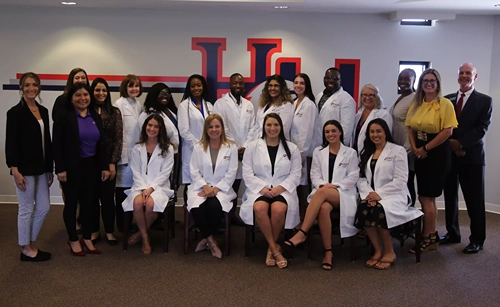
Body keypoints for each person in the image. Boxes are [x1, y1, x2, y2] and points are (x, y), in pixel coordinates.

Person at [285, 120, 359, 270]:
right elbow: (314, 175)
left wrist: (334, 186)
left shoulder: (350, 152)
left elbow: (353, 176)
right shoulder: (319, 152)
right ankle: (328, 252)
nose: (330, 134)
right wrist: (323, 185)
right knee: (324, 208)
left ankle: (302, 232)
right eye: (327, 132)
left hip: (343, 193)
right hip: (323, 192)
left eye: (333, 131)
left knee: (322, 193)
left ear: (340, 132)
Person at [355, 118, 423, 269]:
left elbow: (401, 180)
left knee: (379, 210)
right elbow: (360, 178)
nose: (375, 135)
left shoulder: (397, 151)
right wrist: (370, 195)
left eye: (378, 131)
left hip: (395, 195)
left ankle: (390, 251)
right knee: (364, 208)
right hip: (371, 195)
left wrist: (379, 194)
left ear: (386, 132)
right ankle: (378, 250)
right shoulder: (366, 152)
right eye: (372, 132)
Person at [53, 83, 110, 256]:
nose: (82, 98)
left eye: (85, 94)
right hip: (71, 168)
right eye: (78, 95)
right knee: (71, 204)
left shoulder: (95, 115)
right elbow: (56, 144)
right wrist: (60, 168)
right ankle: (72, 239)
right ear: (71, 98)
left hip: (91, 166)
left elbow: (102, 144)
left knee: (89, 204)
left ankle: (86, 238)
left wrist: (104, 166)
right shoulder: (64, 116)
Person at [442, 63, 493, 254]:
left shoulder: (485, 101)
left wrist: (460, 144)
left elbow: (481, 129)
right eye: (461, 73)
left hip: (472, 158)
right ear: (457, 76)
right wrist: (451, 144)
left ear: (475, 76)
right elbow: (443, 125)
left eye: (468, 73)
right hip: (450, 157)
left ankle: (477, 239)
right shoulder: (447, 100)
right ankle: (452, 233)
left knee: (475, 201)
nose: (464, 76)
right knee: (450, 197)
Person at [405, 68, 458, 253]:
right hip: (420, 153)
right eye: (425, 80)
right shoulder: (417, 103)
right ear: (420, 84)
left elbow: (447, 131)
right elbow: (410, 127)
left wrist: (425, 148)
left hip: (436, 154)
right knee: (425, 197)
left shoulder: (444, 104)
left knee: (427, 198)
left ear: (438, 84)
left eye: (432, 81)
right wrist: (415, 148)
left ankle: (428, 237)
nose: (428, 83)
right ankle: (432, 235)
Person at [240, 113, 301, 269]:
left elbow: (296, 174)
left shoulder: (292, 148)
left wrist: (280, 188)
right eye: (269, 125)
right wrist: (262, 188)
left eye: (276, 125)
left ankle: (270, 248)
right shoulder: (253, 147)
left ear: (281, 127)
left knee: (279, 209)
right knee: (259, 208)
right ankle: (275, 248)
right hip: (259, 189)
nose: (272, 128)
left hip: (283, 189)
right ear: (264, 127)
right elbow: (247, 172)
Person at [6, 72, 53, 262]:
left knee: (43, 207)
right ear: (21, 88)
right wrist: (14, 169)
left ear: (39, 87)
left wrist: (50, 167)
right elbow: (11, 143)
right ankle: (26, 248)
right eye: (27, 85)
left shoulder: (44, 111)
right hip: (23, 169)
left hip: (41, 168)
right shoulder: (15, 113)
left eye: (34, 85)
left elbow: (46, 141)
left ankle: (31, 241)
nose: (31, 88)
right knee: (26, 209)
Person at [121, 114, 175, 255]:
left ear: (160, 129)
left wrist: (151, 189)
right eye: (149, 125)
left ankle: (140, 233)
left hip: (159, 187)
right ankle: (145, 237)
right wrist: (144, 188)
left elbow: (165, 173)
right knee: (137, 203)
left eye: (156, 126)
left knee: (151, 204)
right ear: (145, 127)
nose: (152, 129)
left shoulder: (168, 149)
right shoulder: (137, 148)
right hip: (140, 185)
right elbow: (136, 171)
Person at [187, 114, 238, 258]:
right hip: (200, 187)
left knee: (214, 206)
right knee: (197, 207)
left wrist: (216, 189)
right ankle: (211, 241)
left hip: (222, 189)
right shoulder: (198, 147)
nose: (214, 129)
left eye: (217, 126)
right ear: (206, 129)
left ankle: (204, 240)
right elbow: (194, 170)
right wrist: (205, 187)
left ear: (222, 128)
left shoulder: (231, 147)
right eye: (210, 127)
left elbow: (232, 172)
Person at [213, 73, 254, 226]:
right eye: (235, 83)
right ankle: (223, 215)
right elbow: (221, 128)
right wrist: (235, 148)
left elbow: (253, 128)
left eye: (241, 83)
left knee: (237, 182)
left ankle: (231, 214)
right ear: (230, 84)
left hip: (245, 150)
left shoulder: (248, 105)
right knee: (226, 182)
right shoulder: (220, 104)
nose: (238, 86)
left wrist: (246, 146)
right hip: (228, 149)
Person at [89, 78, 123, 245]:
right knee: (92, 198)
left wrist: (112, 162)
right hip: (90, 162)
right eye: (97, 90)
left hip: (108, 162)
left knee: (108, 198)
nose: (101, 93)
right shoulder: (86, 111)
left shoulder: (115, 112)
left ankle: (110, 231)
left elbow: (118, 139)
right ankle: (94, 231)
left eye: (104, 90)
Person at [114, 74, 143, 232]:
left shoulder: (138, 104)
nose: (134, 89)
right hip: (124, 156)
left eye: (137, 86)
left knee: (133, 190)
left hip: (136, 154)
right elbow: (119, 134)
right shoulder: (118, 104)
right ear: (125, 87)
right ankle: (122, 224)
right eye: (131, 86)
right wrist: (122, 156)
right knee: (122, 192)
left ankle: (130, 222)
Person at [290, 73, 318, 223]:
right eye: (296, 83)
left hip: (303, 154)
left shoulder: (309, 105)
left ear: (306, 86)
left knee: (303, 190)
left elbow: (307, 135)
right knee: (295, 189)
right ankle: (296, 222)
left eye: (301, 83)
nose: (298, 86)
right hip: (293, 153)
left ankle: (303, 223)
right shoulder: (294, 103)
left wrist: (299, 156)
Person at [178, 74, 213, 191]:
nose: (196, 88)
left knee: (205, 183)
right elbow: (184, 131)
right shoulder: (184, 106)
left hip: (208, 149)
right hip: (191, 150)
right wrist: (198, 147)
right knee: (191, 185)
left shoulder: (209, 106)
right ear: (189, 88)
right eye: (193, 86)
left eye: (199, 85)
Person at [389, 69, 417, 206]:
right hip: (396, 145)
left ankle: (410, 214)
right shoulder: (400, 97)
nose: (403, 82)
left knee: (407, 182)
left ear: (414, 80)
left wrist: (406, 151)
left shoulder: (415, 99)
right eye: (400, 78)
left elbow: (414, 127)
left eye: (407, 79)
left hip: (407, 148)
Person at [315, 67, 356, 147]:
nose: (331, 81)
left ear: (340, 81)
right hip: (319, 144)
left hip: (336, 146)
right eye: (328, 78)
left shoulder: (346, 99)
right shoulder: (319, 96)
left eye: (335, 78)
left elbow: (346, 128)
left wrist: (339, 147)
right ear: (324, 79)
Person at [246, 74, 294, 142]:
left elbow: (283, 129)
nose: (272, 88)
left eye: (276, 85)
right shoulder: (264, 104)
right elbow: (257, 125)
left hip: (275, 143)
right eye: (270, 85)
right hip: (258, 142)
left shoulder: (286, 105)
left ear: (281, 88)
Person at [138, 83, 179, 152]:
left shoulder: (170, 111)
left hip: (173, 151)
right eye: (161, 94)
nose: (165, 96)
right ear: (154, 95)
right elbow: (146, 136)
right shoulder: (147, 114)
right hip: (158, 152)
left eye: (167, 94)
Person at [352, 84, 392, 153]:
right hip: (357, 153)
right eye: (364, 95)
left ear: (376, 97)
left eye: (371, 95)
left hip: (374, 152)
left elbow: (386, 138)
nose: (367, 98)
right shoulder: (358, 115)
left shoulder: (383, 115)